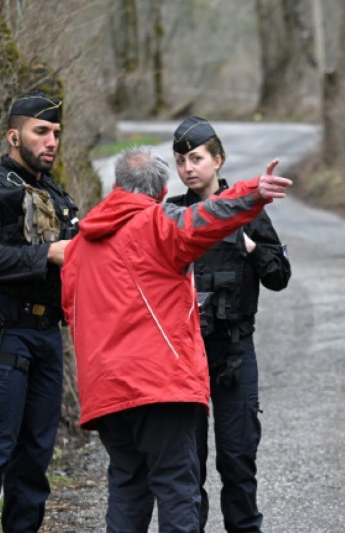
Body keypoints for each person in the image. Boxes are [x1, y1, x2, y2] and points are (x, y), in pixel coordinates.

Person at [61, 146, 292, 533]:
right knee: (176, 489)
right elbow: (209, 218)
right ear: (161, 193)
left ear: (116, 185)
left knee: (127, 488)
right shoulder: (158, 225)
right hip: (160, 388)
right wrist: (253, 192)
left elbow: (72, 312)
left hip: (106, 392)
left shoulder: (79, 245)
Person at [0, 90, 79, 532]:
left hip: (48, 336)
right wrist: (48, 254)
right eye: (40, 131)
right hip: (5, 333)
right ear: (14, 135)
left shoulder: (58, 197)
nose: (51, 141)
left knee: (36, 456)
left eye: (56, 133)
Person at [167, 116, 290, 533]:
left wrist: (250, 244)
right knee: (188, 464)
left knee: (237, 457)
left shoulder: (245, 210)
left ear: (218, 160)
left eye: (197, 158)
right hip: (186, 355)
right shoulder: (173, 214)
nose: (188, 168)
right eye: (181, 160)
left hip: (235, 352)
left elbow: (279, 277)